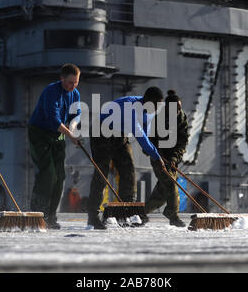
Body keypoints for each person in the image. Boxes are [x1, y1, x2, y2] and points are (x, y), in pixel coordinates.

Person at [87, 87, 166, 229]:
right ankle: (93, 215)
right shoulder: (131, 108)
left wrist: (147, 148)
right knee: (102, 173)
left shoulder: (149, 110)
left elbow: (145, 127)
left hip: (120, 135)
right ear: (148, 101)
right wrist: (155, 154)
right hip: (101, 132)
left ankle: (127, 211)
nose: (156, 109)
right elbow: (139, 133)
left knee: (128, 170)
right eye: (156, 105)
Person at [28, 63, 81, 229]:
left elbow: (75, 116)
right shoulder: (51, 92)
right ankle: (37, 213)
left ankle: (51, 216)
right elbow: (53, 120)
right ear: (61, 79)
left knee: (60, 177)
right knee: (48, 173)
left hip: (58, 135)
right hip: (40, 133)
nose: (73, 86)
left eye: (76, 82)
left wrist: (73, 129)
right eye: (70, 82)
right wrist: (71, 135)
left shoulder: (75, 94)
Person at [145, 90, 189, 227]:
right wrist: (159, 156)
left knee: (162, 192)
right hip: (158, 157)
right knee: (170, 183)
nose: (178, 111)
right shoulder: (158, 119)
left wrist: (175, 158)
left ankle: (141, 212)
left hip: (172, 159)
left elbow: (182, 142)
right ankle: (173, 215)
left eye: (179, 108)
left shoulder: (181, 119)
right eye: (175, 108)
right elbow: (150, 140)